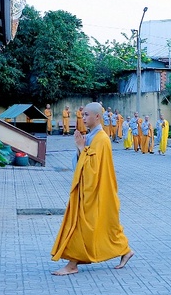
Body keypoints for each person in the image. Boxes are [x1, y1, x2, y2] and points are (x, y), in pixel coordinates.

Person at [51, 103, 134, 275]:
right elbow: (81, 165)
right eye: (82, 115)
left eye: (86, 115)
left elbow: (93, 169)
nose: (83, 118)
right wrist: (80, 146)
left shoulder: (102, 139)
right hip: (88, 188)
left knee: (83, 224)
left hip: (95, 190)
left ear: (97, 116)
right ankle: (125, 250)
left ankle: (72, 264)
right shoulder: (92, 136)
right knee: (102, 225)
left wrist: (82, 147)